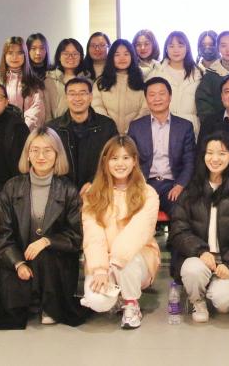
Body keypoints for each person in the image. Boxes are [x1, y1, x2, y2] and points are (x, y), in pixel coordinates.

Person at [0, 129, 88, 329]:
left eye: (48, 150)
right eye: (35, 150)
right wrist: (18, 263)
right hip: (19, 256)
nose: (41, 156)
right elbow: (3, 236)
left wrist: (48, 241)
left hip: (56, 261)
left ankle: (50, 307)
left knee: (45, 255)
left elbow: (76, 236)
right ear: (27, 154)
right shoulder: (11, 187)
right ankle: (30, 302)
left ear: (57, 154)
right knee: (10, 315)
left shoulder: (68, 190)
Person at [169, 132, 229, 323]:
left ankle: (212, 289)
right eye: (210, 153)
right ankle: (197, 300)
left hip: (226, 262)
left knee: (223, 303)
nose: (215, 158)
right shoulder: (191, 190)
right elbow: (178, 228)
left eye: (222, 153)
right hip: (198, 258)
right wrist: (200, 251)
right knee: (193, 271)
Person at [80, 136, 161, 329]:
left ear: (134, 161)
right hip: (104, 263)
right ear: (105, 161)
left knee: (127, 262)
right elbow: (93, 235)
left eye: (126, 158)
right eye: (114, 158)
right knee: (98, 301)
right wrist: (100, 268)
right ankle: (116, 297)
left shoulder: (148, 193)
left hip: (136, 260)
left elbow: (136, 234)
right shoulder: (92, 194)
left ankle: (131, 304)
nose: (120, 164)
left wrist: (115, 262)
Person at [127, 77, 196, 215]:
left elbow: (190, 161)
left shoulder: (184, 126)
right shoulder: (136, 127)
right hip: (145, 184)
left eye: (162, 94)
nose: (157, 98)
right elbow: (130, 160)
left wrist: (180, 185)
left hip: (172, 184)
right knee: (135, 213)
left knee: (181, 212)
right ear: (146, 99)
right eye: (152, 95)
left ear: (170, 96)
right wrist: (137, 186)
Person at [47, 77, 118, 193]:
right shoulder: (52, 128)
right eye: (72, 94)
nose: (77, 98)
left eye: (82, 93)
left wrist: (95, 182)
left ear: (91, 97)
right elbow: (48, 163)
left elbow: (114, 159)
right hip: (61, 192)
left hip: (99, 189)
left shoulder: (107, 126)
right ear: (66, 98)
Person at [0, 36, 46, 132]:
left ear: (25, 55)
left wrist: (20, 130)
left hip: (24, 133)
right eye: (10, 53)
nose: (14, 57)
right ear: (4, 55)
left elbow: (37, 110)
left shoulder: (34, 82)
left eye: (19, 53)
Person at [92, 39, 148, 134]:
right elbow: (97, 107)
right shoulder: (101, 82)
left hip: (135, 135)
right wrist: (110, 129)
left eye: (126, 54)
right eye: (117, 55)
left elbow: (145, 110)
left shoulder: (142, 81)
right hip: (107, 135)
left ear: (132, 56)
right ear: (111, 58)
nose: (122, 58)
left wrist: (131, 131)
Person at [157, 30, 202, 134]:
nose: (176, 50)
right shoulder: (157, 73)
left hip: (191, 129)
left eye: (180, 46)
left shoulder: (198, 73)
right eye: (171, 46)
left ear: (187, 48)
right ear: (166, 49)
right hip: (163, 127)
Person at [46, 38, 85, 118]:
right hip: (55, 124)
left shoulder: (87, 80)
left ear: (81, 57)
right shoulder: (49, 80)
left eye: (75, 54)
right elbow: (46, 111)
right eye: (66, 53)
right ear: (59, 57)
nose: (70, 57)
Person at [27, 32, 62, 121]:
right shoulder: (24, 75)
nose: (38, 53)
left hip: (53, 122)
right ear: (27, 51)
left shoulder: (54, 74)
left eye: (42, 48)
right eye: (33, 49)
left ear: (46, 50)